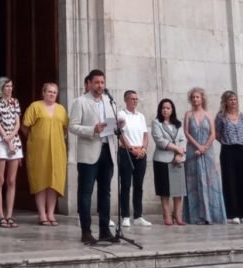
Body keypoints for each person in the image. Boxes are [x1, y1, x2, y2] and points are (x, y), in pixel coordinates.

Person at [69, 69, 121, 244]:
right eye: (97, 82)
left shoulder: (109, 101)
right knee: (85, 193)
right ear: (89, 83)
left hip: (108, 151)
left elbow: (111, 125)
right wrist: (92, 129)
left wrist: (118, 125)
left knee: (105, 192)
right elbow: (73, 127)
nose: (100, 86)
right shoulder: (80, 102)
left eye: (102, 82)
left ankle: (105, 230)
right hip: (89, 153)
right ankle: (86, 231)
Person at [21, 82, 68, 226]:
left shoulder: (61, 109)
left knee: (53, 183)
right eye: (49, 91)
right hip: (39, 151)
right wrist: (35, 139)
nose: (52, 94)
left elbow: (65, 129)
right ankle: (42, 215)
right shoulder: (35, 106)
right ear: (43, 93)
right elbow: (25, 126)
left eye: (54, 92)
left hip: (57, 150)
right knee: (40, 182)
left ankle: (51, 214)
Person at [183, 87, 226, 224]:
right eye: (193, 97)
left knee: (209, 180)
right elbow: (187, 133)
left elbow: (213, 134)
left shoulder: (208, 114)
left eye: (198, 97)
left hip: (208, 152)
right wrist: (198, 146)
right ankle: (197, 217)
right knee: (194, 182)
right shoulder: (188, 114)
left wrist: (205, 148)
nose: (195, 99)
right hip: (193, 151)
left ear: (202, 99)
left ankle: (212, 215)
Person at [215, 90, 243, 224]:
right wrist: (226, 142)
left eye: (235, 99)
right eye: (230, 99)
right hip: (228, 150)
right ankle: (233, 214)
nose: (233, 102)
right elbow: (216, 133)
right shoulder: (221, 117)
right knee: (230, 180)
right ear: (225, 102)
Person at [0, 77, 23, 228]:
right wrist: (7, 139)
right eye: (7, 86)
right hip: (1, 141)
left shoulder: (15, 102)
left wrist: (12, 137)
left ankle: (9, 215)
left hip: (14, 140)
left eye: (11, 86)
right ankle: (0, 215)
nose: (9, 88)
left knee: (11, 180)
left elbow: (18, 123)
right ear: (1, 87)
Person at [118, 90, 152, 228]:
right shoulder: (121, 114)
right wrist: (132, 149)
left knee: (139, 185)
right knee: (126, 185)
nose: (135, 101)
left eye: (137, 99)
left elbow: (145, 134)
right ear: (126, 100)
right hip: (126, 152)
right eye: (132, 99)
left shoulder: (140, 116)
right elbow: (121, 134)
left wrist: (143, 149)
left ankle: (138, 216)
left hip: (141, 153)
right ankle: (125, 216)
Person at [151, 98, 186, 226]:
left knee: (179, 189)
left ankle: (178, 215)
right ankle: (167, 215)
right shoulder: (156, 123)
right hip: (162, 159)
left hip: (178, 159)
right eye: (163, 108)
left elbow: (183, 139)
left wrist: (179, 153)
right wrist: (177, 149)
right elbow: (159, 140)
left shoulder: (178, 124)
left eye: (168, 108)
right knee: (164, 190)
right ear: (160, 110)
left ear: (172, 110)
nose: (165, 110)